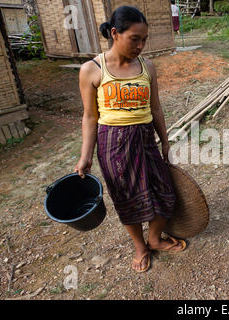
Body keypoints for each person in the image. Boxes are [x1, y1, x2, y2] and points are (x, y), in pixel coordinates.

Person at [74, 5, 186, 273]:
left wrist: (166, 141)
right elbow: (90, 118)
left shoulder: (147, 67)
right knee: (127, 199)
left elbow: (156, 108)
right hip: (113, 144)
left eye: (144, 39)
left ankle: (155, 238)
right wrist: (85, 157)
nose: (140, 45)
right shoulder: (92, 70)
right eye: (134, 39)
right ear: (115, 33)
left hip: (146, 138)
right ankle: (140, 246)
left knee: (165, 193)